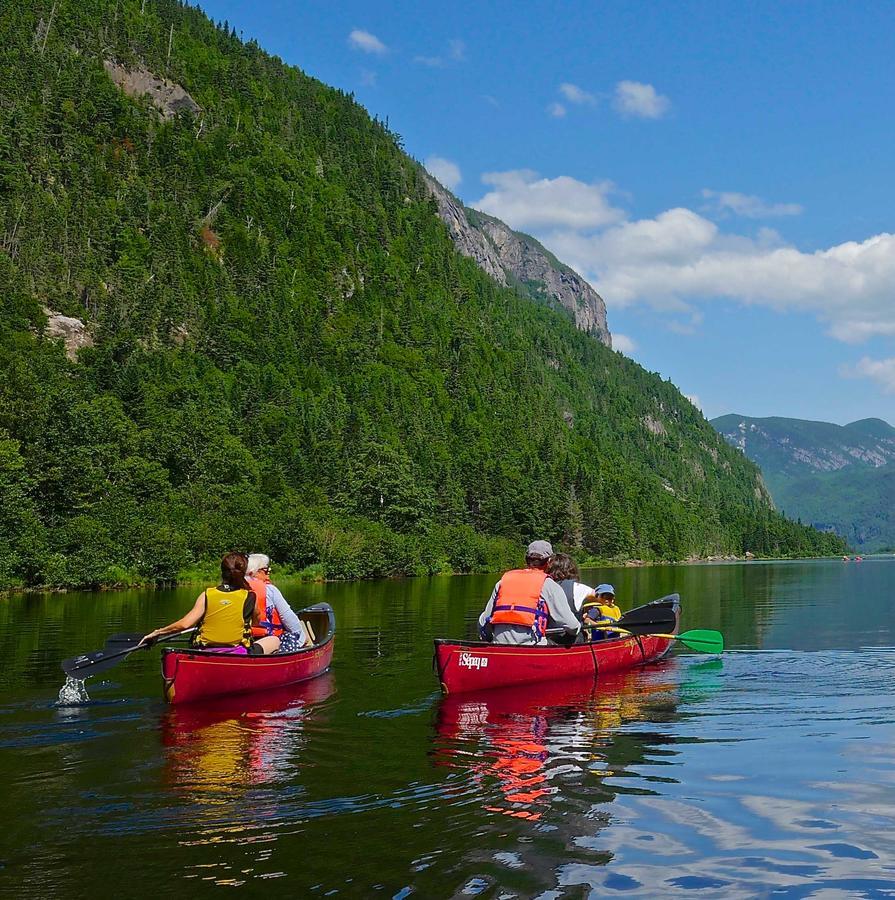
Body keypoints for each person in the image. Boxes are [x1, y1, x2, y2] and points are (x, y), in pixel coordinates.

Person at [142, 552, 280, 655]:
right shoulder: (250, 597)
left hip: (204, 651)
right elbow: (256, 622)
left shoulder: (207, 595)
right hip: (237, 653)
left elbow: (185, 624)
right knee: (274, 640)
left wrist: (158, 632)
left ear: (222, 572)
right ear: (243, 572)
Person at [479, 540, 581, 645]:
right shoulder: (548, 585)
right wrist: (577, 630)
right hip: (532, 646)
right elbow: (572, 625)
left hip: (499, 645)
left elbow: (483, 621)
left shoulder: (502, 582)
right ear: (549, 562)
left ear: (526, 559)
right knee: (577, 634)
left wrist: (489, 638)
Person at [245, 553, 311, 653]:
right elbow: (288, 618)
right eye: (265, 570)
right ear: (252, 572)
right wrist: (301, 637)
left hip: (243, 640)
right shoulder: (270, 590)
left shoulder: (235, 590)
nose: (268, 573)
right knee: (297, 637)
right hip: (268, 639)